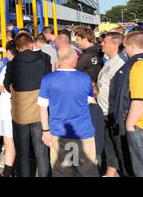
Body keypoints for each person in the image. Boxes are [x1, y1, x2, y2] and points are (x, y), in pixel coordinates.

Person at [38, 47, 99, 177]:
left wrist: (45, 131)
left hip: (58, 132)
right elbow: (90, 100)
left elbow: (43, 108)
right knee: (87, 171)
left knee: (61, 171)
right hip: (83, 132)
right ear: (73, 59)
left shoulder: (47, 79)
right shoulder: (85, 78)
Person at [3, 33, 50, 177]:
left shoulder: (12, 64)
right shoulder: (43, 60)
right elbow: (48, 82)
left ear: (17, 48)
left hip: (20, 114)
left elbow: (6, 85)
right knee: (41, 151)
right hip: (39, 112)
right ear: (31, 44)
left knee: (22, 152)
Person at [97, 32, 132, 177]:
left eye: (104, 42)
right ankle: (110, 173)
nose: (101, 44)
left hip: (114, 112)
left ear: (114, 44)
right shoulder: (109, 61)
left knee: (120, 148)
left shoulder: (121, 63)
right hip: (105, 112)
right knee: (109, 146)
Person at [75, 27, 105, 164]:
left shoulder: (86, 56)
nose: (77, 42)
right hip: (99, 94)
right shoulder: (99, 52)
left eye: (78, 39)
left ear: (85, 39)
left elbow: (75, 75)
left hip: (89, 96)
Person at [122, 32, 143, 176]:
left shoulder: (139, 65)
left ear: (131, 47)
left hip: (142, 126)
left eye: (125, 47)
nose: (124, 51)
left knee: (142, 170)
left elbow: (140, 100)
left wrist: (130, 125)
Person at [0, 41, 18, 177]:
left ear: (10, 52)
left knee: (9, 141)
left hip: (7, 109)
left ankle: (8, 171)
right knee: (12, 140)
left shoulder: (7, 67)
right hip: (16, 109)